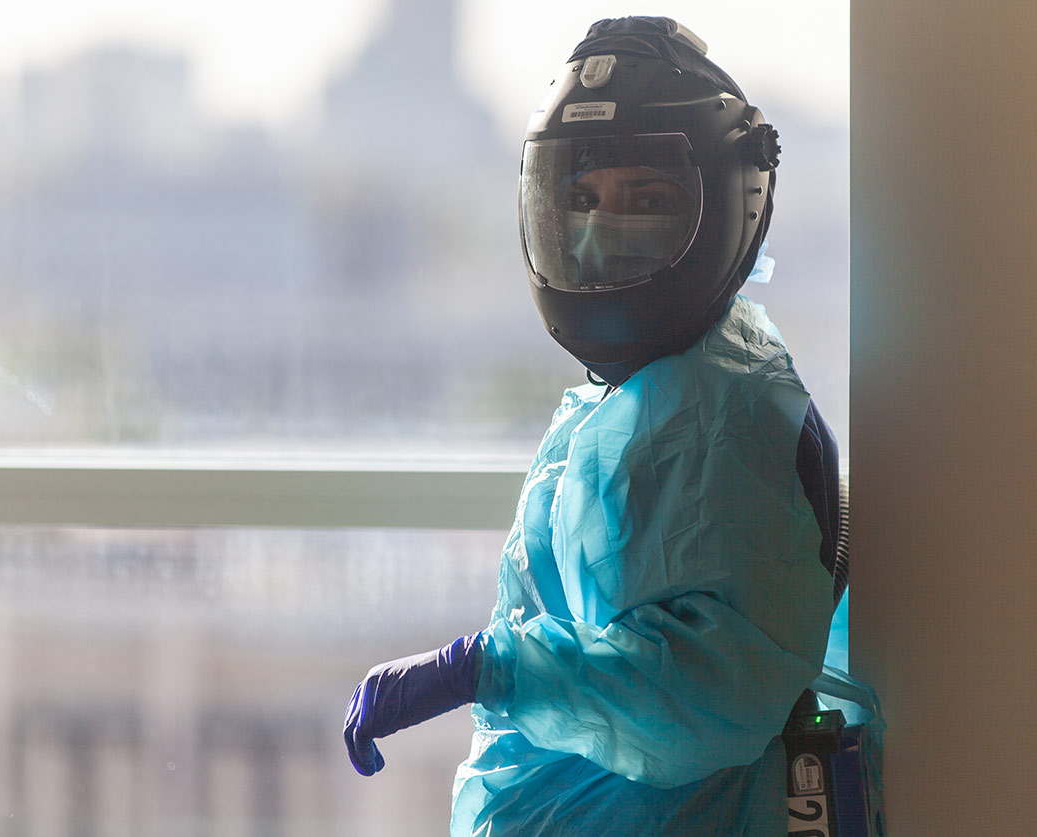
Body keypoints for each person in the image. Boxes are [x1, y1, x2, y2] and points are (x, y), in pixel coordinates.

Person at [344, 16, 842, 835]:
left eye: (645, 200)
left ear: (732, 203)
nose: (600, 230)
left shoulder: (726, 413)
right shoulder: (656, 391)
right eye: (581, 199)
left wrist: (486, 667)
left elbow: (700, 698)